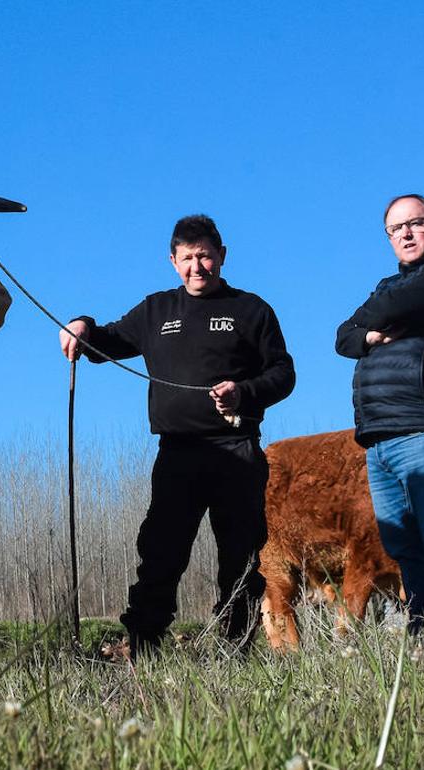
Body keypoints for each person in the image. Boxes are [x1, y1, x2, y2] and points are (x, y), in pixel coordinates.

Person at [60, 215, 295, 656]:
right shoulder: (156, 311)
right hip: (177, 455)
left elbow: (284, 374)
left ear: (221, 256)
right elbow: (105, 342)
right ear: (172, 261)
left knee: (241, 556)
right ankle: (143, 645)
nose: (197, 267)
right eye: (187, 258)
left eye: (205, 256)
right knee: (161, 552)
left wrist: (243, 393)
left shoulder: (251, 309)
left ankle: (236, 647)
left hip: (237, 450)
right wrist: (81, 325)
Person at [335, 194, 424, 631]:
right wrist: (369, 334)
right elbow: (343, 337)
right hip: (380, 437)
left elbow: (381, 311)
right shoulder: (388, 284)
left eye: (415, 223)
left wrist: (372, 324)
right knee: (405, 548)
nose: (405, 234)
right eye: (395, 229)